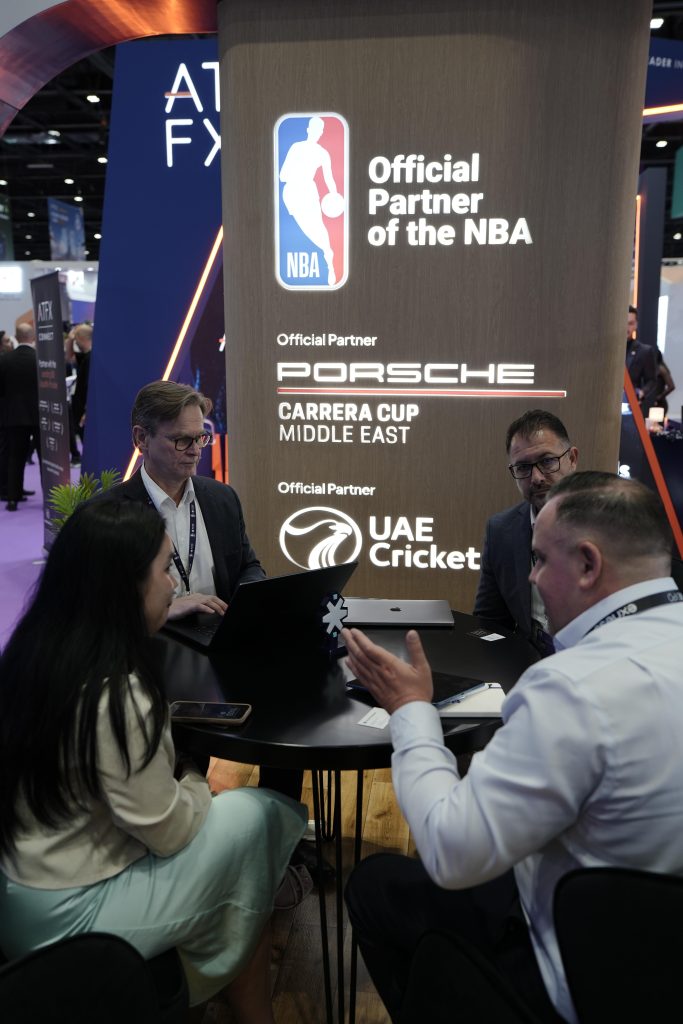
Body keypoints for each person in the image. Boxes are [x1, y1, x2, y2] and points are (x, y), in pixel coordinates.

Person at [343, 471, 683, 1024]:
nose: (531, 577)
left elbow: (451, 852)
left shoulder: (572, 686)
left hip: (581, 979)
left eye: (540, 560)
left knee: (376, 887)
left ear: (588, 564)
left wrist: (410, 709)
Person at [0, 498, 307, 1019]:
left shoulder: (35, 654)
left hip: (23, 893)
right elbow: (169, 829)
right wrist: (195, 781)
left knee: (238, 871)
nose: (173, 587)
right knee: (256, 814)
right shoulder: (117, 694)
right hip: (70, 920)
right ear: (125, 587)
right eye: (165, 570)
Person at [473, 409, 578, 655]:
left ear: (572, 459)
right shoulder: (501, 530)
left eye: (547, 461)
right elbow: (489, 621)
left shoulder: (610, 524)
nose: (537, 478)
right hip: (528, 662)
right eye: (523, 467)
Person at [279, 115, 341, 285]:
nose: (317, 132)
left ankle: (329, 259)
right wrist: (296, 174)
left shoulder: (323, 153)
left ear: (321, 132)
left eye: (320, 130)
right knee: (305, 228)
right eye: (314, 128)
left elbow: (329, 178)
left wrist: (334, 195)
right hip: (292, 193)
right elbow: (282, 175)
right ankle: (326, 252)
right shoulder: (296, 147)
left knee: (318, 227)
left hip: (309, 192)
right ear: (308, 129)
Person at [0, 321, 38, 511]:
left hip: (14, 417)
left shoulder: (5, 359)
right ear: (33, 336)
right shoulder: (41, 359)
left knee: (15, 458)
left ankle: (13, 499)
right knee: (46, 459)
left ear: (16, 336)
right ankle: (52, 500)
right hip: (40, 416)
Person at [625, 305, 657, 413]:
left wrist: (642, 392)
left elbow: (651, 380)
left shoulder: (644, 351)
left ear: (636, 325)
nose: (626, 327)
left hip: (631, 406)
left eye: (630, 323)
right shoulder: (607, 350)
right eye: (624, 323)